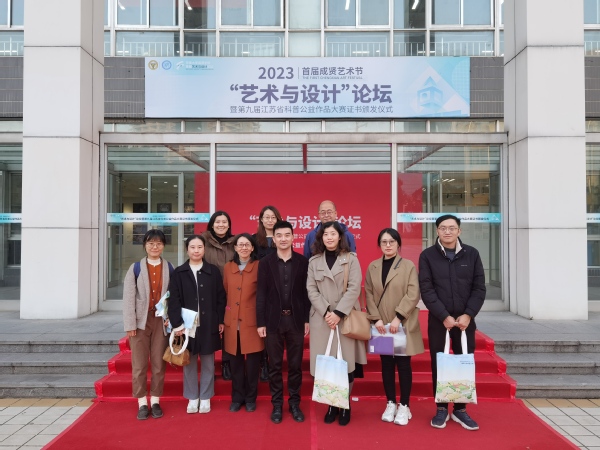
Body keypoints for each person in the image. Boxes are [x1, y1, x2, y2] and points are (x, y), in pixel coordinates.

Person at [419, 214, 486, 431]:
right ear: (437, 231)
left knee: (463, 362)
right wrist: (444, 316)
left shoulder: (472, 254)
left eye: (452, 228)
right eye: (443, 228)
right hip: (440, 321)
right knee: (439, 363)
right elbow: (427, 289)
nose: (447, 231)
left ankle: (460, 409)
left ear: (459, 231)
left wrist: (468, 314)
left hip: (465, 322)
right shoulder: (427, 256)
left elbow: (479, 288)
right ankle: (441, 408)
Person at [307, 221, 367, 426]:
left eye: (333, 234)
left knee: (345, 364)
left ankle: (345, 404)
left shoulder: (351, 259)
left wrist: (338, 313)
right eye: (326, 234)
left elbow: (354, 288)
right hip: (322, 319)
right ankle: (331, 404)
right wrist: (326, 312)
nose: (329, 237)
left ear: (340, 237)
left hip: (345, 318)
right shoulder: (314, 261)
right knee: (327, 365)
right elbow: (311, 289)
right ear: (321, 238)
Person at [365, 228, 424, 426]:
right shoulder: (373, 266)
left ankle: (404, 405)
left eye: (392, 241)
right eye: (384, 242)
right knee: (386, 364)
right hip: (381, 325)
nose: (388, 245)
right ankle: (390, 402)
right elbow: (369, 294)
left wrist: (398, 317)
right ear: (379, 245)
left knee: (403, 364)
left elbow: (413, 293)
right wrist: (376, 319)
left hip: (402, 324)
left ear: (398, 244)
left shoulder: (408, 266)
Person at [256, 220, 310, 425]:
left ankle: (295, 404)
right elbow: (261, 294)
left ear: (293, 237)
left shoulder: (303, 262)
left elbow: (306, 294)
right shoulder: (265, 263)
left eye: (287, 235)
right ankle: (277, 404)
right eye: (279, 235)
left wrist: (306, 319)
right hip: (273, 321)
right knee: (275, 365)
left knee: (295, 366)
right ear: (274, 238)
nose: (283, 239)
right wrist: (260, 322)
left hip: (296, 320)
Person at [168, 234, 226, 415]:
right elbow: (173, 300)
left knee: (208, 362)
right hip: (187, 326)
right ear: (187, 250)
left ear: (204, 249)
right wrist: (177, 324)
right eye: (192, 247)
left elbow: (221, 298)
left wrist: (220, 320)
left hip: (209, 323)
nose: (196, 250)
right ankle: (192, 397)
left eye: (200, 247)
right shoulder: (179, 272)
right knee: (189, 362)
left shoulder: (213, 271)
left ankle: (206, 396)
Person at [122, 229, 173, 420]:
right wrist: (130, 323)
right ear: (145, 245)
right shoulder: (135, 268)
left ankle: (156, 401)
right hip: (140, 322)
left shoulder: (169, 267)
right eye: (151, 243)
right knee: (139, 364)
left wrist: (172, 318)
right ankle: (142, 402)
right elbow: (128, 298)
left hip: (161, 321)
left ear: (163, 246)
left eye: (159, 243)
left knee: (159, 363)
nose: (155, 247)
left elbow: (173, 296)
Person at [223, 234, 264, 413]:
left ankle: (251, 398)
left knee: (253, 364)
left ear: (253, 248)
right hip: (232, 321)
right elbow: (225, 291)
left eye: (247, 245)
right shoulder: (228, 267)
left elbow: (263, 294)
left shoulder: (259, 266)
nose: (244, 248)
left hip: (252, 321)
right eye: (240, 245)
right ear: (235, 248)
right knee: (236, 363)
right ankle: (237, 397)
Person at [202, 210, 236, 381]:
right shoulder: (203, 241)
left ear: (229, 225)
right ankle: (208, 365)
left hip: (232, 292)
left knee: (229, 328)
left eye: (224, 222)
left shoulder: (235, 242)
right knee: (209, 327)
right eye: (217, 222)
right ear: (212, 224)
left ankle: (226, 362)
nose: (221, 225)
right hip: (208, 291)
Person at [253, 205, 283, 382]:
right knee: (261, 326)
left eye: (273, 217)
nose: (270, 220)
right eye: (267, 217)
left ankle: (273, 362)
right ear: (261, 220)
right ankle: (263, 363)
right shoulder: (254, 239)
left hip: (279, 289)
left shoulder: (282, 238)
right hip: (259, 288)